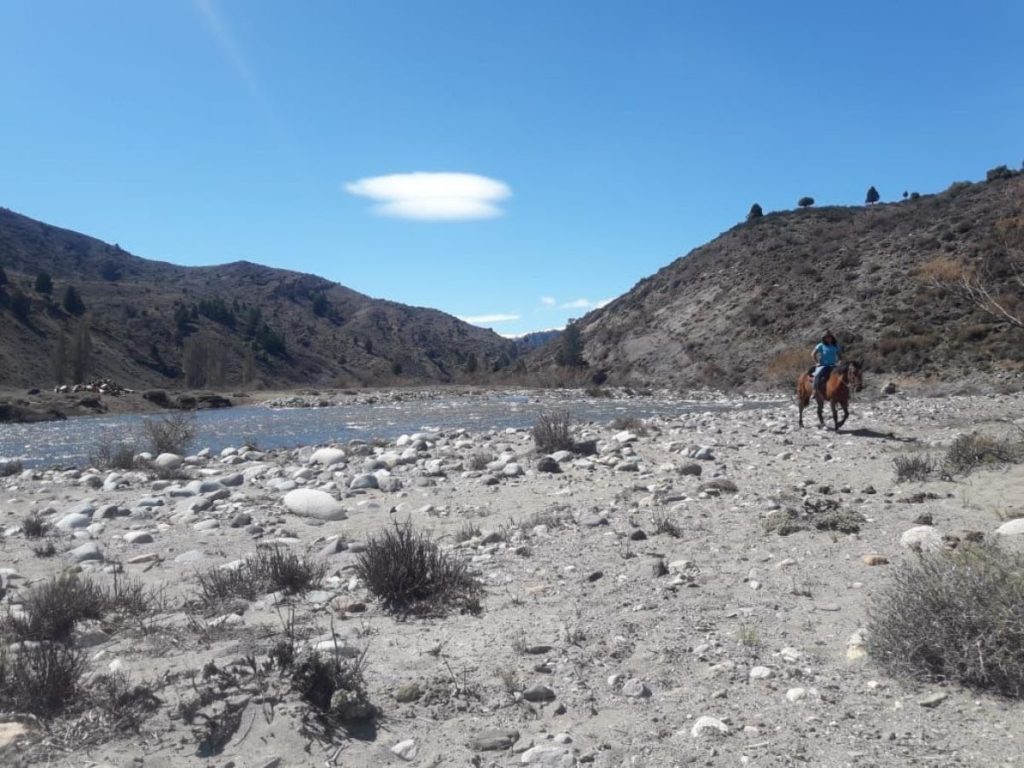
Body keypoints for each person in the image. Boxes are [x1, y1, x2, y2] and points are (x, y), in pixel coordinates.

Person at [811, 331, 842, 395]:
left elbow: (840, 356)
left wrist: (839, 361)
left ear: (832, 338)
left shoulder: (836, 346)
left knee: (843, 376)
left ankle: (844, 393)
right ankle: (815, 391)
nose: (828, 338)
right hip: (823, 365)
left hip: (833, 365)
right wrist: (817, 362)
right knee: (817, 376)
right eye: (826, 337)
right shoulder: (821, 345)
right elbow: (813, 354)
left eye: (829, 337)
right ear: (824, 338)